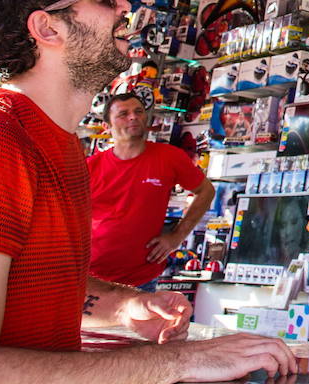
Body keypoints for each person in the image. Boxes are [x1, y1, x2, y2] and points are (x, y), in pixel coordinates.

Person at [0, 0, 296, 384]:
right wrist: (183, 360)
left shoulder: (58, 147)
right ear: (46, 27)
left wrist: (121, 306)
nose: (124, 6)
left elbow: (26, 285)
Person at [89, 95, 217, 290]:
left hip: (142, 279)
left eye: (138, 111)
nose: (133, 117)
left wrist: (176, 237)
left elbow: (206, 191)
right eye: (123, 114)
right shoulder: (89, 167)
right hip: (90, 277)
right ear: (107, 126)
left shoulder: (169, 157)